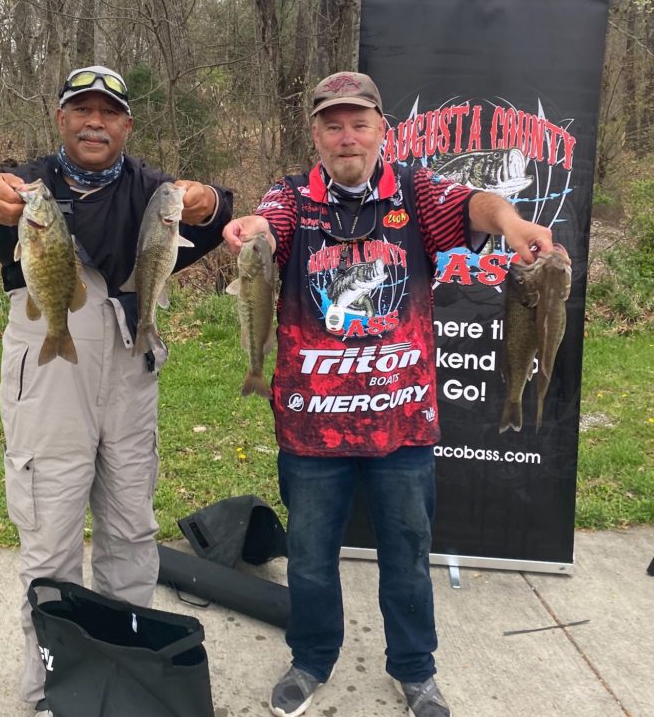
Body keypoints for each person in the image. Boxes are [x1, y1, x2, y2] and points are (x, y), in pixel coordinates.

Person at [222, 71, 558, 717]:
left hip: (401, 424)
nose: (346, 136)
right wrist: (254, 228)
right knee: (310, 557)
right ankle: (310, 659)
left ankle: (415, 671)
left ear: (382, 129)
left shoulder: (414, 190)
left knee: (406, 557)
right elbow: (269, 222)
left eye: (359, 123)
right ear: (316, 134)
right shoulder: (292, 196)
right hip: (312, 427)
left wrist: (512, 222)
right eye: (332, 125)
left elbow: (476, 203)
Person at [0, 65, 233, 716]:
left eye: (108, 112)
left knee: (131, 534)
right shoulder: (27, 189)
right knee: (50, 538)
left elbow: (215, 215)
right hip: (49, 380)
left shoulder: (151, 190)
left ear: (127, 125)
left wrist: (211, 202)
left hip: (129, 377)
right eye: (82, 110)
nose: (94, 122)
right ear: (61, 119)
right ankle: (55, 685)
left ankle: (127, 677)